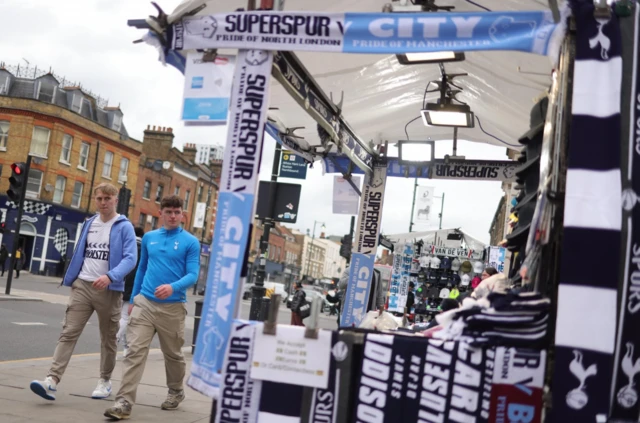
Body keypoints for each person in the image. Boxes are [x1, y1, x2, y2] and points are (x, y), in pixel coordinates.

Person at [29, 183, 137, 401]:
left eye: (108, 198)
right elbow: (82, 251)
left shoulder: (124, 226)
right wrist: (75, 277)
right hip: (83, 286)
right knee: (68, 332)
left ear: (116, 200)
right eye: (99, 198)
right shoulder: (89, 223)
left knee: (108, 339)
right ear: (95, 199)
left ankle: (104, 381)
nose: (103, 202)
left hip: (109, 289)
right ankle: (52, 380)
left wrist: (110, 276)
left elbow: (131, 258)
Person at [104, 196, 200, 420]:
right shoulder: (149, 238)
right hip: (145, 303)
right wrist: (136, 297)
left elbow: (193, 275)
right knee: (135, 352)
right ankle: (124, 402)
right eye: (169, 211)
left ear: (183, 215)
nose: (173, 216)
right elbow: (142, 268)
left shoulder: (190, 242)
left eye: (177, 212)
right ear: (161, 214)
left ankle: (176, 391)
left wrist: (172, 287)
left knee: (173, 355)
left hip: (173, 307)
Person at [117, 226, 145, 359]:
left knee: (120, 316)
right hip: (134, 286)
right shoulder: (144, 249)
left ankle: (124, 347)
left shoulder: (125, 246)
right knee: (127, 318)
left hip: (120, 282)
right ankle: (121, 345)